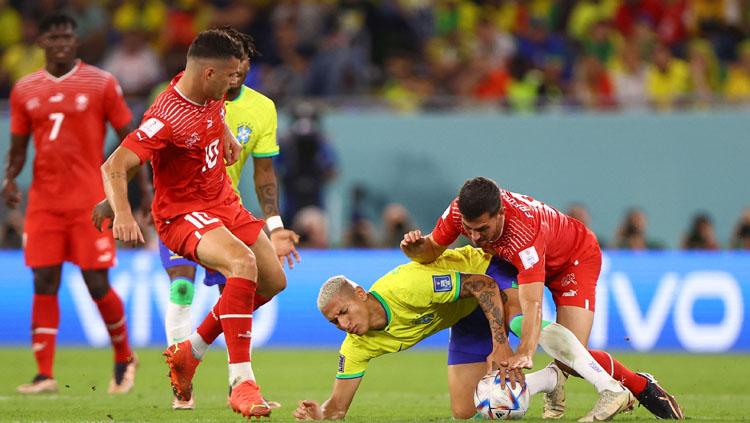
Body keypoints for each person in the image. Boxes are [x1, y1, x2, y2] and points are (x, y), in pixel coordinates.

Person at [99, 29, 287, 418]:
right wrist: (119, 211)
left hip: (224, 203)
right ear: (208, 74)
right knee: (242, 265)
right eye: (231, 76)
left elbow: (211, 115)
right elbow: (116, 164)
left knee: (273, 281)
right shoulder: (166, 115)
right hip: (183, 214)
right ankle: (242, 383)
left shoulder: (207, 93)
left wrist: (227, 136)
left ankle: (190, 353)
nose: (237, 83)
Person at [400, 177, 683, 420]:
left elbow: (533, 303)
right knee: (524, 329)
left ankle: (638, 384)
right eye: (469, 228)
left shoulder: (523, 233)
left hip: (574, 259)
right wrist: (414, 248)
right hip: (510, 262)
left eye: (482, 229)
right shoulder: (458, 212)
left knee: (571, 355)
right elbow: (432, 249)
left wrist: (525, 351)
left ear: (499, 214)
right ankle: (551, 382)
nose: (474, 238)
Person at [292, 247, 636, 422]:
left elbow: (482, 285)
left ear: (362, 295)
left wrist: (500, 344)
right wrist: (321, 414)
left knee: (518, 323)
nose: (343, 324)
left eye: (343, 312)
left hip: (486, 271)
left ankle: (613, 385)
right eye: (334, 322)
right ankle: (548, 380)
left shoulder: (407, 287)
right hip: (462, 309)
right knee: (465, 409)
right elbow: (338, 407)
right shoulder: (357, 345)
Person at [2, 13, 139, 395]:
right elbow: (17, 148)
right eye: (54, 36)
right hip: (44, 203)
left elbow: (130, 139)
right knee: (44, 281)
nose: (61, 42)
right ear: (41, 42)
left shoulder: (101, 83)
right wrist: (10, 178)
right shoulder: (25, 89)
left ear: (75, 42)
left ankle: (124, 357)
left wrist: (130, 194)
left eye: (67, 36)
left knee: (96, 282)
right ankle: (44, 374)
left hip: (89, 202)